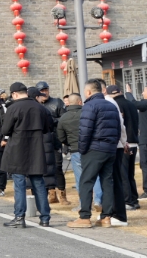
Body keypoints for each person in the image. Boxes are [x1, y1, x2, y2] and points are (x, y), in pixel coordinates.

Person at [68, 79, 122, 228]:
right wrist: (112, 145)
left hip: (94, 148)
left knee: (86, 181)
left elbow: (85, 131)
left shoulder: (89, 106)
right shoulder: (111, 105)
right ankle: (106, 217)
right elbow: (118, 128)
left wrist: (82, 149)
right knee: (107, 182)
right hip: (110, 148)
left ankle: (85, 216)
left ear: (88, 92)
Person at [0, 82, 52, 227]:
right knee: (38, 183)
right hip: (36, 149)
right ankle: (45, 217)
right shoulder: (40, 108)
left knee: (19, 184)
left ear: (14, 94)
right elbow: (47, 128)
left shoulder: (13, 108)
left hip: (17, 149)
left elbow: (5, 130)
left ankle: (19, 217)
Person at [106, 84, 141, 212]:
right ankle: (134, 199)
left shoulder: (115, 105)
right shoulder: (131, 104)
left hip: (125, 143)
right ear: (120, 92)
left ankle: (128, 201)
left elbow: (120, 125)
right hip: (134, 141)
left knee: (123, 174)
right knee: (130, 174)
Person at [55, 93, 84, 199]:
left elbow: (61, 137)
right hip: (90, 148)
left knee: (79, 178)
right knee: (96, 176)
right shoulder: (87, 113)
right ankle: (98, 200)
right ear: (80, 102)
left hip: (75, 149)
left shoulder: (63, 118)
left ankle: (83, 203)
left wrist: (69, 143)